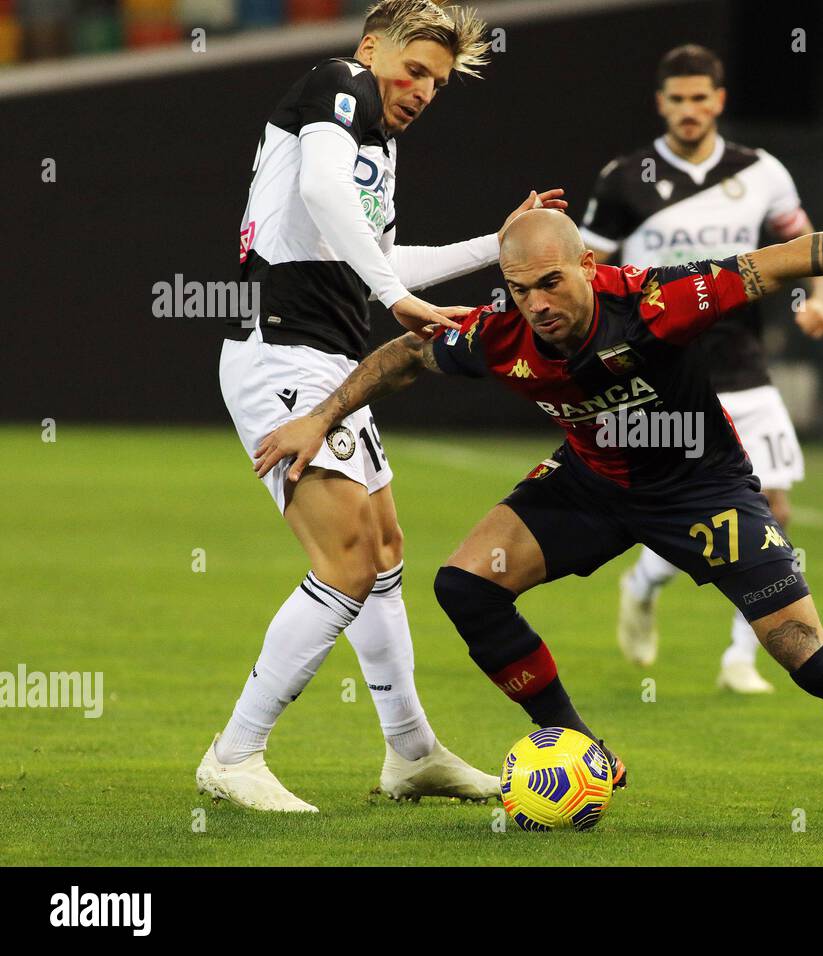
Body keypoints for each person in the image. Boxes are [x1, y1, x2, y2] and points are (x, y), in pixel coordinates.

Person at [255, 173, 823, 819]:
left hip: (700, 489)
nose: (538, 304)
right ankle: (582, 749)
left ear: (587, 264)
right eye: (520, 290)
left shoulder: (659, 302)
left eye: (552, 282)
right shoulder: (500, 333)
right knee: (464, 585)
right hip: (592, 485)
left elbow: (785, 262)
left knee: (800, 650)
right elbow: (405, 355)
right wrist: (319, 420)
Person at [200, 0, 564, 812]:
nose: (423, 89)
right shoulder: (339, 83)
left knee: (386, 549)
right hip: (280, 351)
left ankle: (411, 752)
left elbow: (380, 248)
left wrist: (496, 246)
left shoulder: (376, 144)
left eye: (437, 81)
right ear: (372, 48)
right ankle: (234, 753)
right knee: (347, 561)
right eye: (415, 68)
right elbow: (331, 198)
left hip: (326, 360)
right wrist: (393, 296)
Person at [579, 44, 823, 693]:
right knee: (683, 512)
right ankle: (643, 580)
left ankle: (740, 660)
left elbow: (805, 244)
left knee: (773, 507)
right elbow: (584, 276)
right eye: (677, 99)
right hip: (661, 376)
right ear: (660, 103)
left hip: (743, 366)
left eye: (700, 98)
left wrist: (820, 299)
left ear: (718, 100)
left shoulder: (762, 172)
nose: (689, 111)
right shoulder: (623, 179)